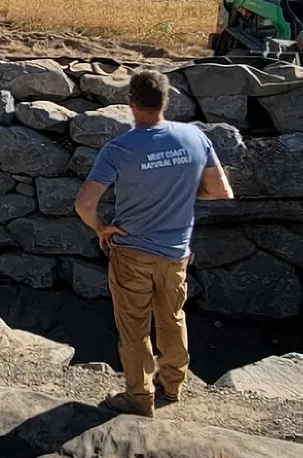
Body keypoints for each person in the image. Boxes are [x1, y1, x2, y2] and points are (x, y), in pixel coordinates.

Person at [73, 68, 232, 416]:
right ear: (166, 101)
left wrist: (101, 227)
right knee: (172, 318)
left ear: (130, 102)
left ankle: (139, 396)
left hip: (132, 252)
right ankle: (172, 385)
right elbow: (221, 190)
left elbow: (84, 204)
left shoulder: (118, 150)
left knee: (134, 327)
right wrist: (180, 193)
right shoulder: (195, 138)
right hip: (176, 253)